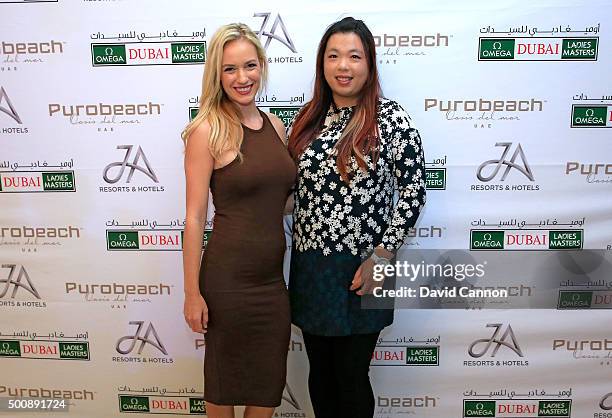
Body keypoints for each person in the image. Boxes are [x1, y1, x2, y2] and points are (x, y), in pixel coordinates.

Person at [287, 17, 426, 418]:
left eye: (354, 56)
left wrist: (382, 257)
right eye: (333, 56)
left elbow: (414, 191)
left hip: (367, 267)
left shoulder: (390, 119)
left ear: (369, 64)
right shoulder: (308, 119)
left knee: (350, 376)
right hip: (313, 267)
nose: (343, 66)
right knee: (321, 375)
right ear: (322, 64)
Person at [181, 23, 296, 418]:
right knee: (224, 389)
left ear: (262, 66)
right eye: (230, 69)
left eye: (250, 65)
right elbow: (195, 218)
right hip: (227, 285)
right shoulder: (206, 131)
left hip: (272, 285)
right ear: (217, 73)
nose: (242, 77)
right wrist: (192, 293)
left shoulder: (276, 126)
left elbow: (278, 200)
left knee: (265, 393)